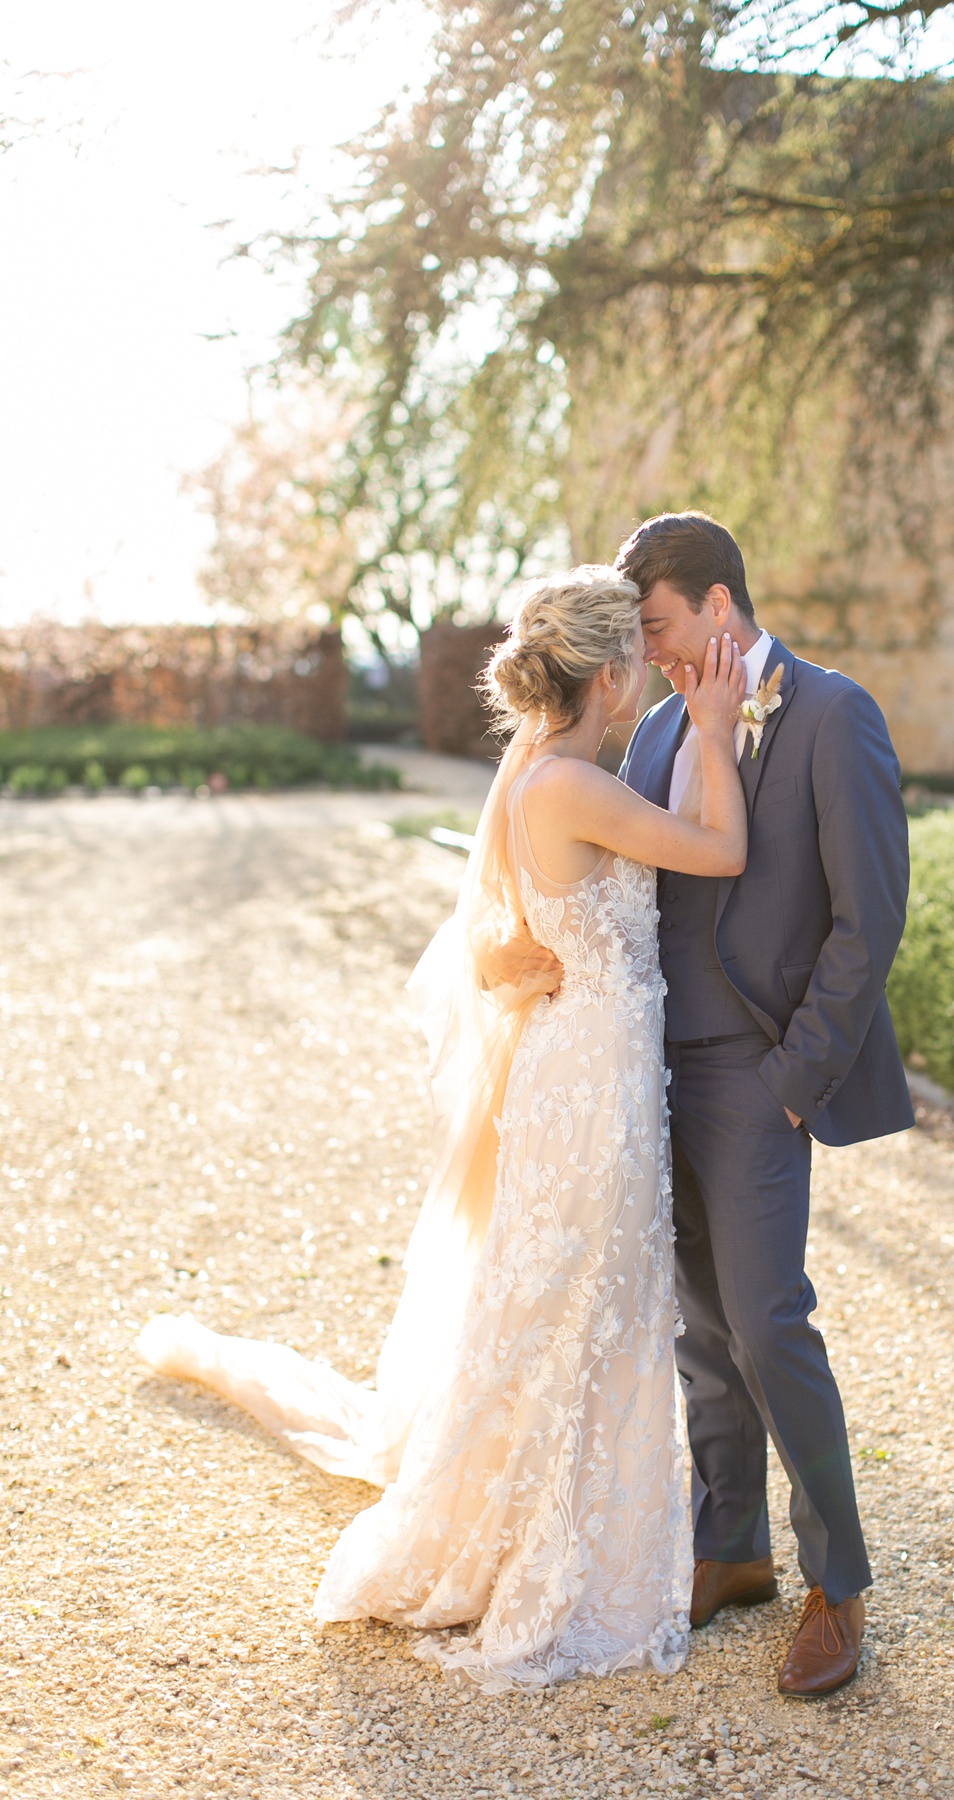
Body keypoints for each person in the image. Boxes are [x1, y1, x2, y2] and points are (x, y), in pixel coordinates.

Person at [138, 565, 748, 1693]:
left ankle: (559, 1510)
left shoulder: (537, 766)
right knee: (580, 1294)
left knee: (582, 1292)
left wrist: (510, 958)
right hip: (591, 1078)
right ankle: (527, 1540)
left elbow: (489, 927)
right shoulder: (570, 785)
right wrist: (714, 729)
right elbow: (720, 851)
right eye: (642, 665)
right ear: (611, 676)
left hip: (586, 1063)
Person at [615, 512, 914, 1699]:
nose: (648, 653)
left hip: (756, 1072)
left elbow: (870, 914)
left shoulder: (832, 715)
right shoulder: (650, 729)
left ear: (720, 609)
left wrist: (797, 1078)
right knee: (698, 1326)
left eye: (660, 627)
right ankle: (730, 1547)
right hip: (656, 1072)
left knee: (767, 1320)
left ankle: (838, 1583)